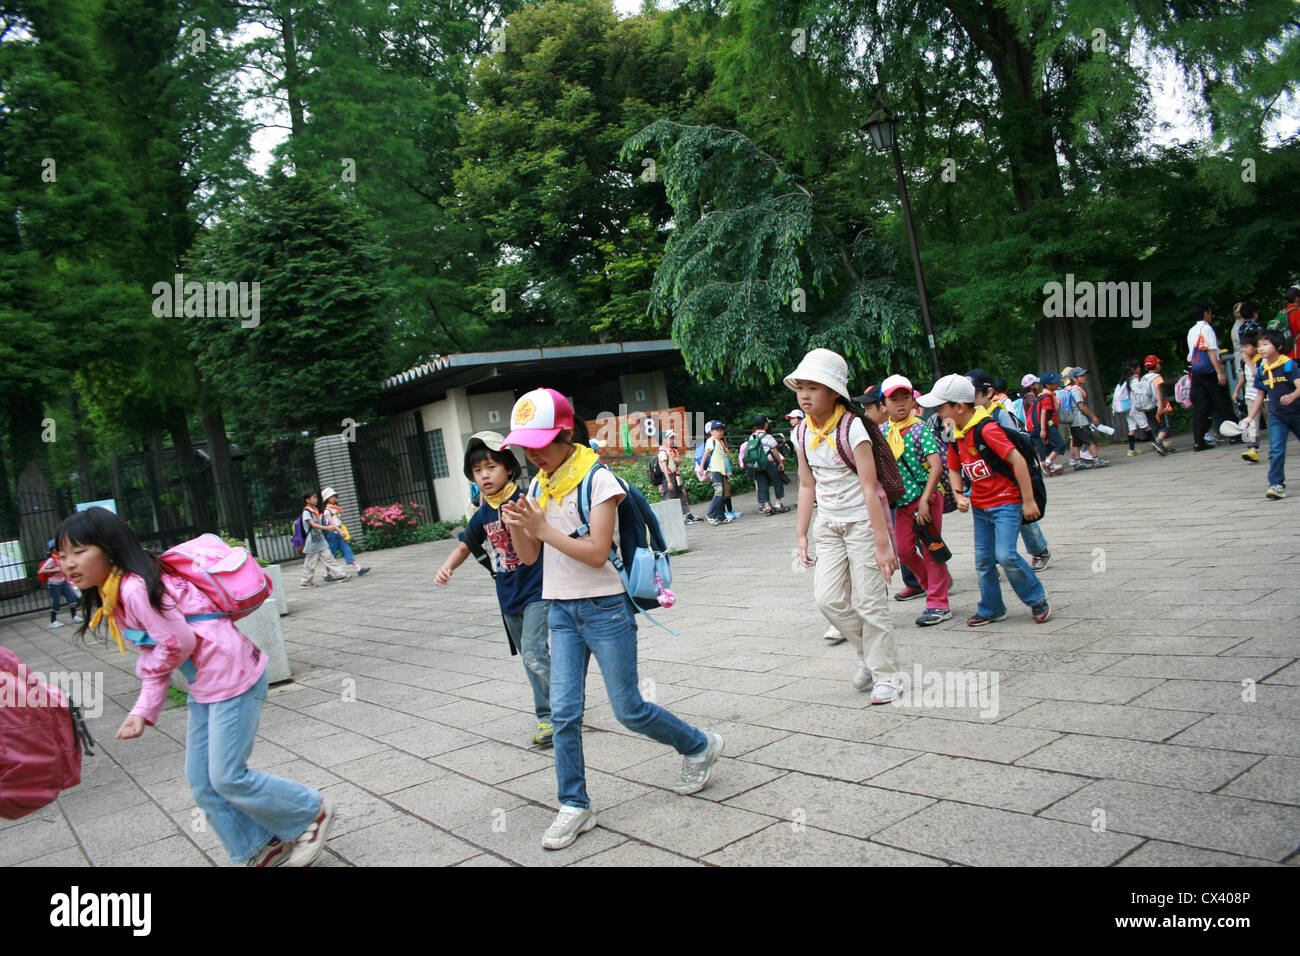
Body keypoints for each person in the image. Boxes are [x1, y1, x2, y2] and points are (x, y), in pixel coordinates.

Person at [498, 388, 722, 850]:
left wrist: (540, 527)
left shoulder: (599, 480)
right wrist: (521, 528)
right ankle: (574, 805)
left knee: (628, 709)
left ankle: (698, 745)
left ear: (564, 432)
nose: (531, 452)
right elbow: (529, 556)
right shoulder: (540, 485)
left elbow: (599, 552)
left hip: (605, 608)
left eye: (539, 441)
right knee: (563, 713)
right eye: (525, 444)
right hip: (560, 608)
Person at [57, 507, 333, 867]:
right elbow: (161, 653)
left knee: (228, 777)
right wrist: (142, 711)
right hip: (207, 684)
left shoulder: (135, 587)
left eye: (79, 552)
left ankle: (311, 811)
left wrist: (146, 671)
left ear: (109, 550)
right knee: (203, 783)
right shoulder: (121, 592)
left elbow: (177, 643)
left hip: (233, 677)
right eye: (62, 555)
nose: (68, 563)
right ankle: (259, 849)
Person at [787, 349, 902, 700]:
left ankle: (886, 675)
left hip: (864, 525)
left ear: (835, 392)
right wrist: (802, 534)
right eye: (800, 387)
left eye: (814, 387)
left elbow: (872, 489)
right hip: (829, 524)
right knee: (827, 600)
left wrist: (883, 545)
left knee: (870, 603)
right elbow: (807, 485)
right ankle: (867, 654)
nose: (805, 395)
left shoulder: (853, 429)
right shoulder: (801, 433)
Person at [435, 431, 553, 747]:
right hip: (508, 595)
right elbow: (465, 545)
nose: (484, 475)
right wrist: (447, 567)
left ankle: (552, 716)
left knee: (533, 653)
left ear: (509, 468)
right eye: (477, 471)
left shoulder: (524, 500)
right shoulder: (483, 513)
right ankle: (558, 706)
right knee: (531, 657)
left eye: (491, 467)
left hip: (538, 589)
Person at [919, 374, 1051, 627]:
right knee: (983, 560)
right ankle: (991, 608)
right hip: (980, 505)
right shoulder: (955, 433)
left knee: (1006, 555)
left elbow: (1017, 461)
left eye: (941, 407)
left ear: (959, 406)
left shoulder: (987, 428)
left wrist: (1028, 500)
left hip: (1006, 503)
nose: (938, 412)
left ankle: (1037, 599)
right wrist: (958, 494)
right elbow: (954, 466)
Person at [882, 375, 952, 626]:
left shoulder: (920, 428)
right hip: (902, 503)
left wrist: (925, 500)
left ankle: (938, 603)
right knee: (904, 552)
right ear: (884, 405)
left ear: (914, 400)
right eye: (894, 399)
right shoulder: (883, 433)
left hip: (928, 498)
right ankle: (934, 584)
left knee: (931, 550)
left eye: (906, 397)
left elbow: (936, 466)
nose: (901, 404)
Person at [968, 369, 1053, 573]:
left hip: (1009, 478)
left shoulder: (1000, 415)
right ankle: (994, 561)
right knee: (990, 521)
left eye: (970, 395)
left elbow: (1018, 448)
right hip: (985, 481)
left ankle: (1039, 550)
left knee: (1022, 517)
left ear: (988, 393)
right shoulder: (965, 419)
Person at [1242, 330, 1300, 499]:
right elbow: (1260, 395)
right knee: (1276, 450)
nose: (1261, 348)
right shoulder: (1262, 370)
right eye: (1259, 345)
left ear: (1279, 346)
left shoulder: (1289, 365)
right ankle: (1276, 485)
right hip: (1277, 416)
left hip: (1297, 413)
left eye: (1265, 344)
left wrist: (1292, 396)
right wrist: (1250, 416)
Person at [1187, 303, 1234, 449]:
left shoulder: (1191, 330)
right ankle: (1235, 434)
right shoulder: (1206, 328)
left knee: (1201, 406)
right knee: (1222, 401)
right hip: (1209, 371)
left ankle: (1198, 441)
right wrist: (1220, 372)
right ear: (1206, 313)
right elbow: (1210, 351)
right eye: (1210, 312)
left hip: (1196, 372)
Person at [299, 491, 353, 587]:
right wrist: (328, 528)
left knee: (330, 558)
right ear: (307, 500)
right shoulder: (306, 512)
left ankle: (341, 575)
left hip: (321, 541)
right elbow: (313, 525)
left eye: (316, 497)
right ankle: (305, 582)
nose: (316, 499)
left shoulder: (315, 510)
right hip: (312, 542)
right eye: (313, 498)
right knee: (310, 563)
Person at [1063, 368, 1110, 469]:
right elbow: (1081, 406)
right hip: (1080, 421)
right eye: (1081, 376)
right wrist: (1093, 417)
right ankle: (1096, 459)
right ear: (1074, 378)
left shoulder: (1070, 389)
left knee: (1076, 442)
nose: (1084, 377)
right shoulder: (1076, 390)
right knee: (1090, 440)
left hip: (1073, 422)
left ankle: (1078, 462)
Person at [744, 415, 790, 515]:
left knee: (762, 484)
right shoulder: (768, 437)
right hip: (769, 463)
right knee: (777, 482)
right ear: (765, 425)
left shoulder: (752, 437)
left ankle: (767, 507)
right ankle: (778, 504)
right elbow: (775, 451)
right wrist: (780, 462)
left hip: (758, 465)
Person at [1232, 324, 1264, 463]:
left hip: (1265, 396)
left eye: (1247, 347)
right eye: (1243, 347)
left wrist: (1249, 361)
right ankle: (1253, 449)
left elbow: (1258, 375)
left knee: (1272, 422)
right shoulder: (1244, 361)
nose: (1244, 350)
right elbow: (1244, 376)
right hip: (1250, 396)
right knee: (1252, 423)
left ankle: (1274, 450)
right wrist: (1237, 390)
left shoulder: (1261, 360)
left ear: (1255, 347)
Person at [320, 488, 370, 578]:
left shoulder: (336, 508)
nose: (334, 498)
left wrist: (341, 530)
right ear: (327, 498)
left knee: (346, 550)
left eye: (334, 496)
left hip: (339, 532)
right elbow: (332, 523)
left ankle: (358, 568)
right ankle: (326, 574)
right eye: (331, 496)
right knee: (332, 554)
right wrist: (339, 531)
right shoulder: (327, 510)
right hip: (333, 534)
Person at [656, 429, 700, 524]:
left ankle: (687, 515)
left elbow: (675, 464)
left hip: (676, 476)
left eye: (673, 438)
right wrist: (669, 482)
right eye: (670, 438)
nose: (672, 440)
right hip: (668, 477)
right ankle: (669, 519)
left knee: (682, 495)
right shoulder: (663, 452)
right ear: (663, 440)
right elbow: (664, 469)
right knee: (669, 497)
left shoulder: (671, 451)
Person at [37, 539, 82, 628]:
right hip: (54, 583)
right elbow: (41, 571)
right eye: (57, 547)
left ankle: (74, 617)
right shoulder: (51, 560)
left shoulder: (61, 557)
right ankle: (53, 621)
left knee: (72, 599)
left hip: (63, 581)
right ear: (52, 549)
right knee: (56, 602)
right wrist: (55, 569)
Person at [702, 420, 734, 525]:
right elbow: (706, 454)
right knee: (719, 492)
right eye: (717, 430)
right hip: (715, 470)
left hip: (721, 470)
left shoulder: (720, 442)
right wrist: (702, 467)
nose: (719, 432)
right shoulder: (711, 440)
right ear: (711, 432)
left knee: (722, 493)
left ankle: (720, 516)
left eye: (721, 430)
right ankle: (710, 514)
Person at [1142, 355, 1175, 454]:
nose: (1160, 365)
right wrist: (1161, 405)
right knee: (1165, 426)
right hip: (1157, 405)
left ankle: (1160, 448)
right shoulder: (1157, 377)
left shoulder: (1143, 378)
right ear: (1156, 365)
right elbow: (1158, 391)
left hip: (1147, 407)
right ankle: (1158, 442)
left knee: (1155, 427)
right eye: (1159, 363)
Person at [1036, 373, 1068, 474]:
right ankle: (1046, 463)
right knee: (1060, 444)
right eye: (1054, 382)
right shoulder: (1047, 397)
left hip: (1048, 425)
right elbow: (1043, 412)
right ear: (1048, 385)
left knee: (1049, 446)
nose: (1057, 384)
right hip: (1049, 426)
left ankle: (1048, 466)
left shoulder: (1046, 396)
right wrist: (1043, 429)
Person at [1272, 286, 1300, 361]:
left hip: (1284, 354)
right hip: (1296, 353)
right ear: (1297, 298)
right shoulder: (1297, 313)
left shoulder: (1282, 312)